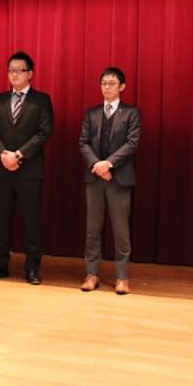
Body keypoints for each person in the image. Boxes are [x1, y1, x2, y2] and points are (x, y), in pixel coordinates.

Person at [0, 51, 53, 285]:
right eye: (10, 70)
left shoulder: (41, 100)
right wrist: (3, 154)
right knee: (1, 219)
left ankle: (32, 268)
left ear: (30, 73)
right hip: (2, 168)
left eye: (19, 70)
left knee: (31, 220)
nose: (14, 74)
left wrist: (19, 155)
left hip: (29, 170)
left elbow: (44, 132)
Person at [78, 66, 141, 295]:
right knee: (92, 229)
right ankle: (92, 273)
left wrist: (109, 164)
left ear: (122, 86)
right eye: (103, 83)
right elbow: (83, 143)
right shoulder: (92, 113)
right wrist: (97, 165)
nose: (106, 87)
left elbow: (132, 143)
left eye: (111, 83)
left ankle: (122, 277)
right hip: (95, 177)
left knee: (121, 230)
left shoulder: (131, 113)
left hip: (119, 178)